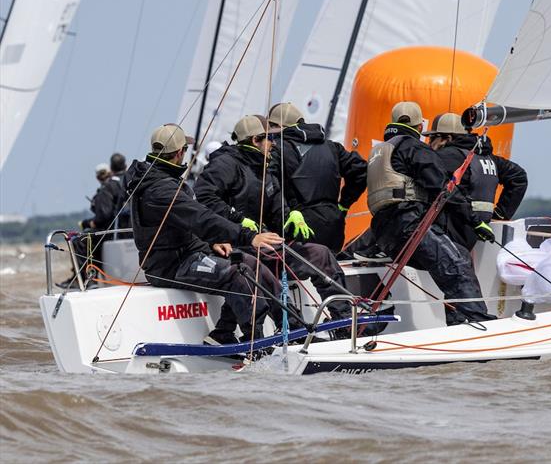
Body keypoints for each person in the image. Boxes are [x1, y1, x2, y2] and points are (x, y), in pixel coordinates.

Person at [127, 123, 285, 344]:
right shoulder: (159, 189)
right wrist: (248, 236)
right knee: (236, 274)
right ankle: (256, 343)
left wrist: (210, 244)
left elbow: (184, 225)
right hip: (168, 266)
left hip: (187, 254)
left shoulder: (164, 179)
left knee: (250, 261)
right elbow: (200, 218)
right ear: (180, 152)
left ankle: (287, 326)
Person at [194, 114, 351, 320]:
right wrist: (237, 219)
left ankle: (346, 319)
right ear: (255, 140)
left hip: (265, 243)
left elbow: (276, 205)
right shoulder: (226, 163)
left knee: (320, 254)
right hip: (237, 244)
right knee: (256, 269)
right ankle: (291, 327)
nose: (274, 144)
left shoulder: (265, 167)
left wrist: (290, 215)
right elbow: (204, 195)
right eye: (270, 139)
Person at [366, 101, 495, 326]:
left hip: (383, 232)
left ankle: (458, 324)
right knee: (456, 266)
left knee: (459, 255)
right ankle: (480, 322)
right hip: (409, 224)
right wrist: (475, 221)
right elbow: (443, 188)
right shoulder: (413, 147)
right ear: (419, 127)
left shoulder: (380, 150)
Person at [267, 102, 367, 253]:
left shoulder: (278, 148)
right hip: (334, 226)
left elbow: (268, 186)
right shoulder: (333, 147)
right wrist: (344, 205)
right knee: (329, 270)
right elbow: (361, 170)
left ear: (278, 126)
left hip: (299, 228)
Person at [425, 112, 528, 250]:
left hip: (453, 234)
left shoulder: (447, 156)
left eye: (432, 137)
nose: (429, 143)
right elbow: (519, 177)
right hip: (481, 231)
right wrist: (500, 216)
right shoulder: (489, 158)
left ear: (447, 138)